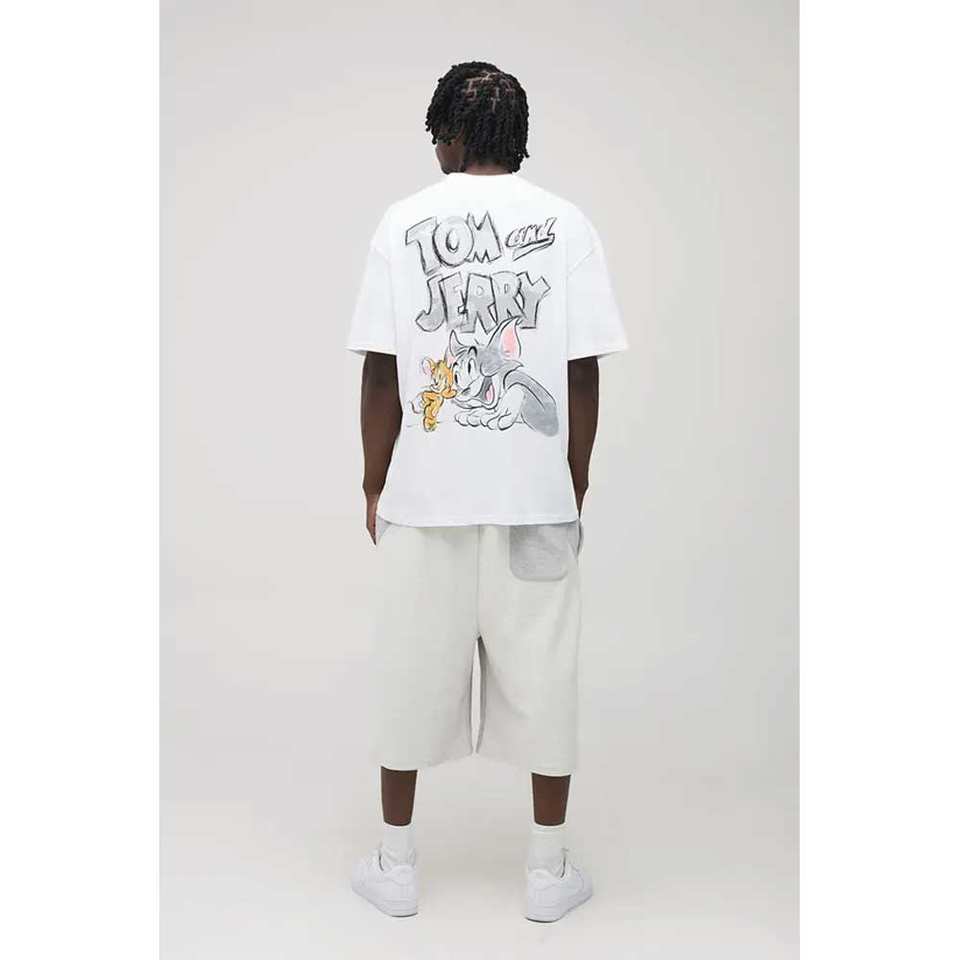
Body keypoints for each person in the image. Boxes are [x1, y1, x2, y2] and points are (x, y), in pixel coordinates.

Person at [346, 61, 627, 921]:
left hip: (425, 504)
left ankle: (396, 864)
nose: (434, 144)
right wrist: (573, 481)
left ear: (454, 133)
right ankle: (547, 871)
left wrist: (374, 480)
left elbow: (382, 371)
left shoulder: (402, 222)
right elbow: (581, 372)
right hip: (534, 503)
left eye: (438, 130)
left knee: (408, 676)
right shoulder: (568, 223)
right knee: (546, 680)